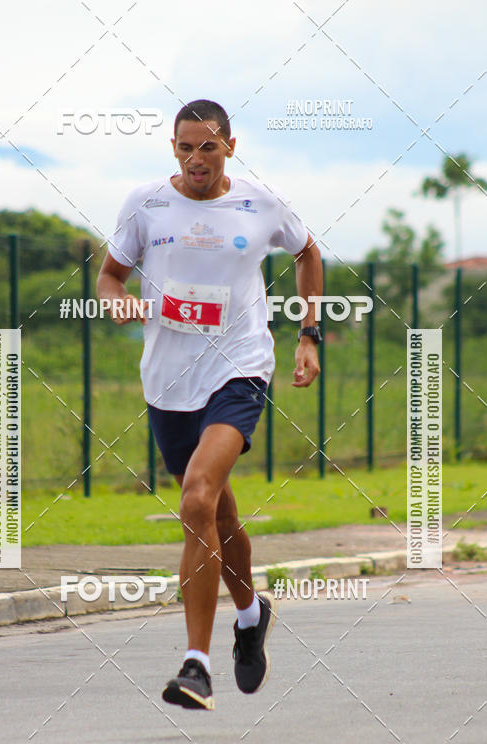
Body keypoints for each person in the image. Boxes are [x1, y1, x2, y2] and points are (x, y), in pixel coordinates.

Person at [97, 99, 322, 710]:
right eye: (185, 147)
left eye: (208, 147)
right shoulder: (146, 204)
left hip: (239, 370)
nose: (196, 159)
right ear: (172, 149)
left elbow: (307, 252)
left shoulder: (260, 203)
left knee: (197, 497)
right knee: (217, 515)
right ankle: (251, 614)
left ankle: (195, 665)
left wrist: (308, 334)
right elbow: (110, 275)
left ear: (230, 147)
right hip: (168, 384)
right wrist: (116, 299)